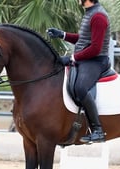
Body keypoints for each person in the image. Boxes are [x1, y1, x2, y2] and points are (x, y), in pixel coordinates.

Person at [47, 0, 110, 143]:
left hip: (96, 61)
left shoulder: (98, 16)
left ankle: (97, 130)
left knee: (80, 87)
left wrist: (72, 58)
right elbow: (84, 39)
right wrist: (62, 34)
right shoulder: (90, 13)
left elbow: (95, 48)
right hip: (86, 59)